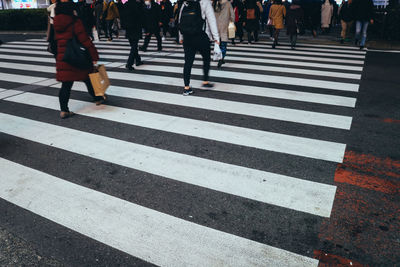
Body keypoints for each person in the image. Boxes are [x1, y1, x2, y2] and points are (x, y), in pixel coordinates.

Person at [53, 0, 105, 119]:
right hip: (77, 55)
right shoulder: (74, 21)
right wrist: (94, 55)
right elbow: (84, 40)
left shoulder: (56, 22)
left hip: (64, 56)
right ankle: (98, 99)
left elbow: (54, 39)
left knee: (66, 85)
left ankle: (64, 110)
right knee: (87, 77)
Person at [178, 0, 220, 95]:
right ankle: (205, 81)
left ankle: (186, 87)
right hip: (200, 37)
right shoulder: (205, 2)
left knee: (188, 61)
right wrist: (216, 38)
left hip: (187, 37)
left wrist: (181, 37)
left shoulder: (186, 2)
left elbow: (180, 21)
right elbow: (211, 20)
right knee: (206, 58)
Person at [213, 0, 234, 68]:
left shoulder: (215, 3)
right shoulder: (228, 3)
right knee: (224, 44)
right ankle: (221, 58)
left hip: (216, 25)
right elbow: (232, 14)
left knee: (218, 43)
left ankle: (220, 57)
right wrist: (232, 20)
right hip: (225, 25)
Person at [124, 0, 144, 70]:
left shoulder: (126, 4)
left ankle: (138, 60)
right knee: (134, 45)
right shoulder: (138, 5)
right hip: (136, 27)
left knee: (133, 45)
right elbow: (141, 17)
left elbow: (122, 16)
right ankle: (129, 63)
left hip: (128, 28)